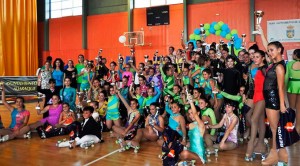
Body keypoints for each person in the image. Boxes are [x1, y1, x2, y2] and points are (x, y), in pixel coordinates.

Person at [262, 41, 287, 165]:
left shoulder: (279, 67)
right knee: (275, 129)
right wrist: (261, 33)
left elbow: (281, 87)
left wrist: (282, 104)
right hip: (269, 98)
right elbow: (268, 46)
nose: (269, 52)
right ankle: (282, 156)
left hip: (273, 100)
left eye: (272, 50)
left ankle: (274, 154)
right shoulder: (275, 63)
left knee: (274, 129)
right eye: (268, 50)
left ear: (279, 50)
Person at [245, 50, 268, 161]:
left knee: (254, 119)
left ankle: (251, 144)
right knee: (258, 119)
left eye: (257, 57)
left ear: (263, 58)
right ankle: (261, 144)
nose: (254, 59)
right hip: (255, 95)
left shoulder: (264, 69)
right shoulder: (258, 68)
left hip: (262, 96)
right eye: (254, 57)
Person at [179, 94, 206, 165]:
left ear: (198, 113)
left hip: (199, 155)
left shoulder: (201, 124)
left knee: (184, 153)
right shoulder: (190, 125)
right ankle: (188, 162)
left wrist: (191, 101)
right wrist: (185, 142)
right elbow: (191, 140)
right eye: (189, 113)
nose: (191, 115)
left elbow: (195, 114)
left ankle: (187, 162)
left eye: (192, 113)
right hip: (191, 151)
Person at [285, 49, 300, 134]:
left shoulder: (290, 64)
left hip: (292, 85)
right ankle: (298, 128)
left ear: (294, 55)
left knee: (291, 108)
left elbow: (286, 78)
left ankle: (290, 127)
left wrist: (284, 88)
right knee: (299, 108)